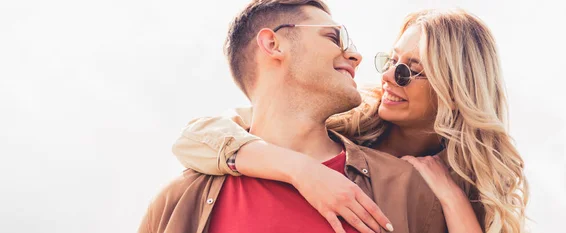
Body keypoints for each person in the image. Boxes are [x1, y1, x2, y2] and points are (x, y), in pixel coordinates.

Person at [171, 8, 529, 233]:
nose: (388, 78)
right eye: (390, 61)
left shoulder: (453, 186)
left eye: (408, 72)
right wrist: (304, 171)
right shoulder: (340, 119)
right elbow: (198, 136)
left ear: (454, 93)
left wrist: (452, 199)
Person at [138, 1, 445, 233]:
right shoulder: (177, 201)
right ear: (273, 44)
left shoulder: (408, 190)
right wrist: (300, 170)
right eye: (334, 37)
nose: (355, 55)